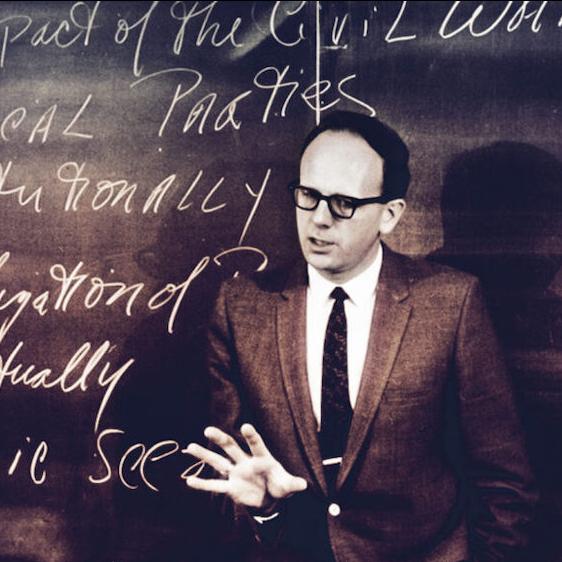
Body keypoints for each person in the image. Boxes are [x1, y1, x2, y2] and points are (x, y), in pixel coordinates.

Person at [186, 111, 537, 562]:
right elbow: (228, 472)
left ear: (390, 215)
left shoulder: (451, 303)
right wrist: (265, 512)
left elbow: (504, 480)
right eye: (308, 196)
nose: (319, 220)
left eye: (343, 204)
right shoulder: (241, 305)